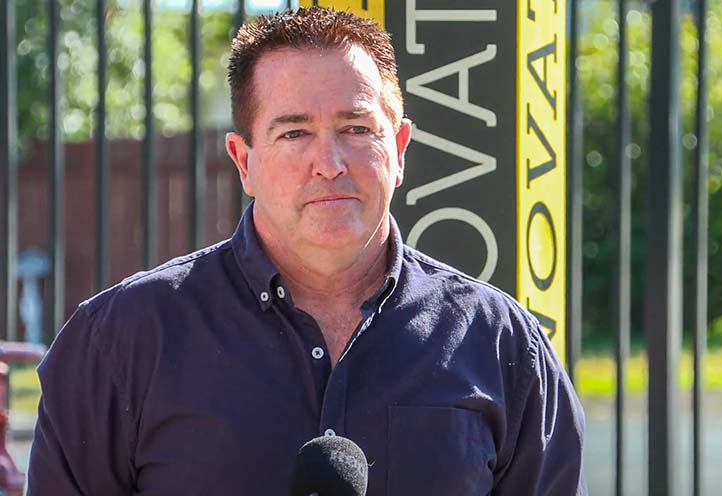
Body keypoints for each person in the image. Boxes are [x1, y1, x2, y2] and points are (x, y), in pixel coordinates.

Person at [27, 7, 586, 495]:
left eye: (357, 129)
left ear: (398, 149)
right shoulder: (121, 341)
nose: (330, 164)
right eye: (294, 133)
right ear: (243, 161)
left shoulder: (502, 345)